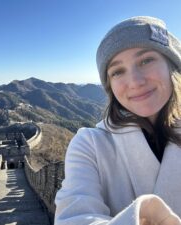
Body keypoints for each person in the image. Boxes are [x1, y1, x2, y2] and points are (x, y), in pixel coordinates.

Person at [54, 16, 181, 225]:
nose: (135, 81)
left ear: (172, 66)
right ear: (110, 85)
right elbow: (74, 217)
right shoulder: (89, 145)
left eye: (146, 60)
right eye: (117, 71)